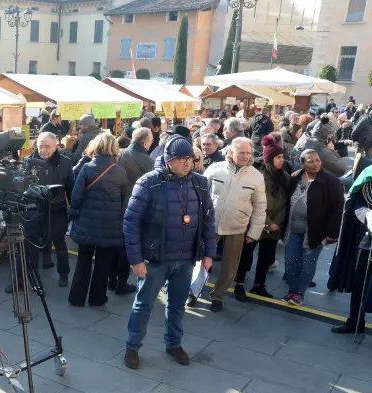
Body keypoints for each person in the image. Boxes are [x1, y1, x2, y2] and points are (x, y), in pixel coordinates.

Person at [123, 135, 216, 369]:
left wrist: (208, 254)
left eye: (190, 159)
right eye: (181, 159)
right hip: (155, 259)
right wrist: (136, 259)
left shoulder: (200, 183)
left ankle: (174, 343)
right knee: (143, 305)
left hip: (185, 259)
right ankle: (132, 347)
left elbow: (208, 220)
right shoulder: (149, 183)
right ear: (168, 160)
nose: (188, 163)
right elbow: (131, 221)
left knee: (177, 304)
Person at [202, 137, 267, 311]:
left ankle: (218, 296)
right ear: (231, 153)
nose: (246, 156)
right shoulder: (215, 169)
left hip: (237, 227)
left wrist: (254, 232)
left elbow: (261, 206)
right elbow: (200, 197)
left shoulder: (256, 176)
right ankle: (193, 292)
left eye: (248, 153)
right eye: (241, 153)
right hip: (211, 224)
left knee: (230, 265)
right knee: (200, 260)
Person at [68, 133, 128, 306]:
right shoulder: (120, 172)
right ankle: (98, 298)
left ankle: (77, 298)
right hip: (110, 224)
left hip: (87, 222)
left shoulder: (87, 168)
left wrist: (73, 213)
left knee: (83, 260)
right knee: (103, 262)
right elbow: (122, 198)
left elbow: (76, 196)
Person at [282, 149, 343, 306]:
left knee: (308, 263)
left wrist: (332, 234)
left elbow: (337, 210)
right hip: (293, 230)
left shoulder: (331, 181)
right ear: (303, 163)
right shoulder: (295, 177)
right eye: (311, 161)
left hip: (315, 232)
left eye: (318, 160)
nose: (316, 164)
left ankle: (299, 293)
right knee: (291, 262)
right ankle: (291, 290)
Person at [233, 137, 290, 299]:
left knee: (265, 258)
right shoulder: (258, 176)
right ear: (269, 158)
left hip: (274, 227)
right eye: (278, 157)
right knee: (246, 256)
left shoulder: (285, 177)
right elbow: (254, 203)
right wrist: (268, 223)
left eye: (282, 157)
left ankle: (259, 285)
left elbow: (285, 202)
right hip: (257, 223)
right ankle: (239, 284)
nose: (281, 160)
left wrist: (277, 223)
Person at [20, 132, 74, 288]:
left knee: (60, 244)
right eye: (40, 146)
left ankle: (63, 274)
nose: (43, 150)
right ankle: (29, 277)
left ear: (56, 145)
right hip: (34, 210)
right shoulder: (28, 161)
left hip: (56, 211)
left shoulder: (65, 162)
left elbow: (70, 187)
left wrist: (72, 209)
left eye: (47, 146)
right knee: (31, 247)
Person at [329, 165, 372, 334]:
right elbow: (358, 205)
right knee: (359, 283)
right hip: (367, 240)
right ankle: (355, 321)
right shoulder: (368, 175)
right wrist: (368, 215)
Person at [118, 127, 154, 198]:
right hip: (135, 201)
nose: (152, 142)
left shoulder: (118, 153)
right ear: (145, 144)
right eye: (152, 140)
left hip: (116, 200)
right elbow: (151, 186)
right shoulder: (148, 161)